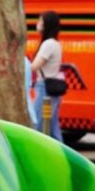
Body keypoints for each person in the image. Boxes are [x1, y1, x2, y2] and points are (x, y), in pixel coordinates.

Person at [33, 11, 66, 142]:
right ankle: (62, 157)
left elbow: (35, 66)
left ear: (47, 24)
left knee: (37, 125)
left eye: (40, 21)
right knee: (53, 128)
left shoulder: (49, 44)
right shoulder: (55, 43)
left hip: (45, 89)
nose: (38, 24)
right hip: (51, 88)